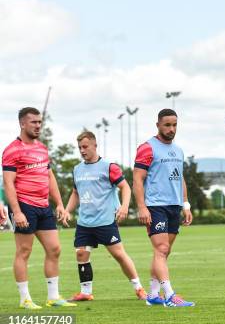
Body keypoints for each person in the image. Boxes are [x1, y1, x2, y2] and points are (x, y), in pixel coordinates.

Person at [2, 107, 76, 309]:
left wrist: (59, 203)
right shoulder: (11, 150)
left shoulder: (42, 148)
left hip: (44, 205)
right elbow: (8, 183)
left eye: (39, 122)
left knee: (55, 249)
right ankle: (24, 299)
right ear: (22, 124)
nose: (38, 126)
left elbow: (49, 176)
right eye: (33, 122)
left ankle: (53, 297)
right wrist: (16, 212)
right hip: (24, 205)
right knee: (24, 251)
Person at [60, 131, 147, 301]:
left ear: (94, 145)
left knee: (119, 255)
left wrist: (124, 207)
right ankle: (86, 292)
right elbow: (76, 193)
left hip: (105, 221)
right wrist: (67, 210)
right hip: (85, 222)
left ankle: (139, 288)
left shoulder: (109, 167)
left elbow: (126, 187)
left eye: (85, 147)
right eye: (79, 148)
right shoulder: (77, 169)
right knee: (81, 254)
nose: (82, 150)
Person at [133, 108, 194, 307]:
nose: (171, 129)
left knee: (163, 252)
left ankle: (152, 294)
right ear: (158, 124)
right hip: (155, 206)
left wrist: (186, 205)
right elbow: (137, 179)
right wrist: (142, 207)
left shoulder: (178, 150)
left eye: (174, 125)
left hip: (174, 206)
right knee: (162, 248)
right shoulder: (147, 147)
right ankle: (169, 296)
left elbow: (181, 178)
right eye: (167, 125)